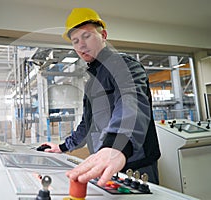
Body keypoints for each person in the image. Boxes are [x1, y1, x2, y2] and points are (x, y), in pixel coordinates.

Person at [40, 8, 161, 186]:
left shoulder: (123, 65)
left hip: (134, 167)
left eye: (86, 36)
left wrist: (115, 145)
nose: (81, 45)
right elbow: (87, 125)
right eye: (75, 41)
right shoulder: (92, 82)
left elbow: (131, 102)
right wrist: (63, 147)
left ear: (103, 35)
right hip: (103, 163)